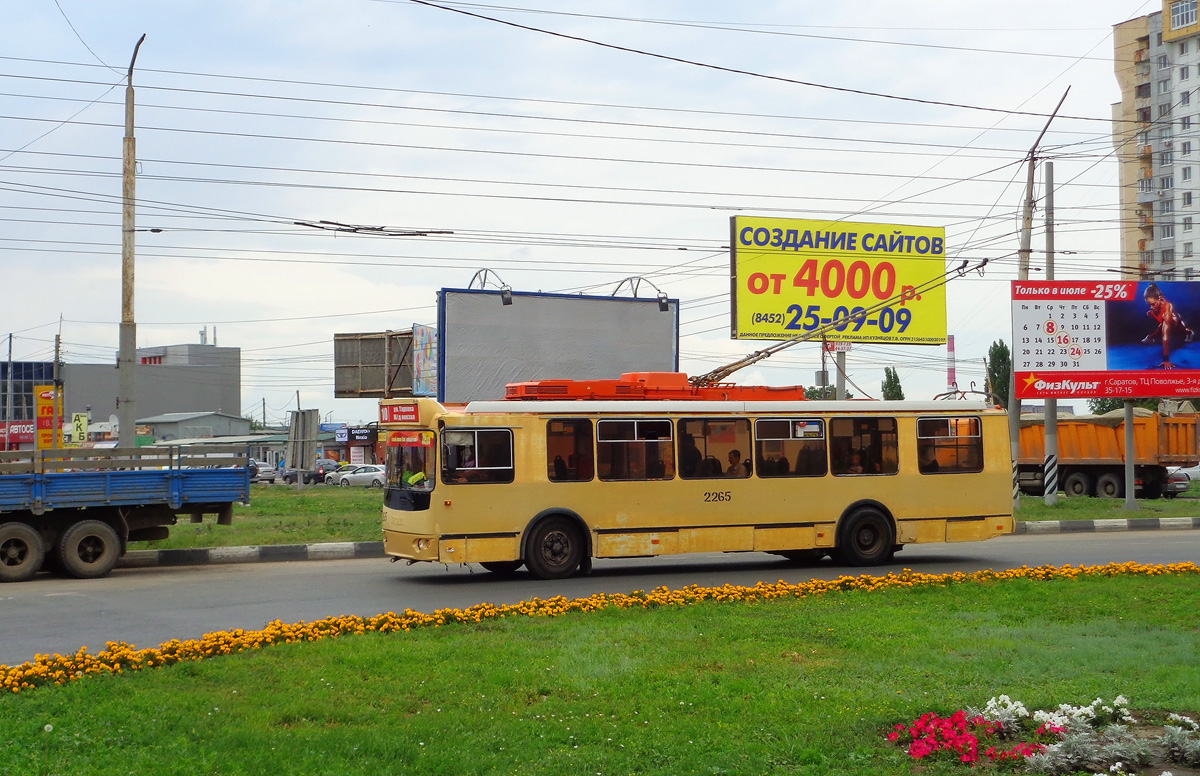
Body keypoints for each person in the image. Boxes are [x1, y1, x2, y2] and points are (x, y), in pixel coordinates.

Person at [1142, 282, 1194, 369]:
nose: (1151, 307)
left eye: (1153, 304)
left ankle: (1190, 333)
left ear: (1160, 299)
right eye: (1149, 305)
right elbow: (1153, 311)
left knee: (1182, 330)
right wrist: (1151, 313)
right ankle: (1150, 338)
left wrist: (1166, 359)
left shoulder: (1167, 308)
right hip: (1164, 321)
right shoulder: (1154, 308)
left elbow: (1165, 335)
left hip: (1175, 321)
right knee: (1161, 326)